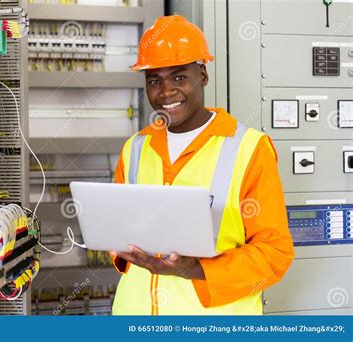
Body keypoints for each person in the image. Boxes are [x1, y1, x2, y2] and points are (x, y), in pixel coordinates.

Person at [109, 15, 294, 315]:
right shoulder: (135, 148)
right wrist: (117, 245)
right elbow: (118, 233)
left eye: (179, 77)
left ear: (203, 76)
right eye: (154, 80)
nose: (166, 91)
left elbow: (275, 254)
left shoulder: (248, 149)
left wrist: (195, 269)